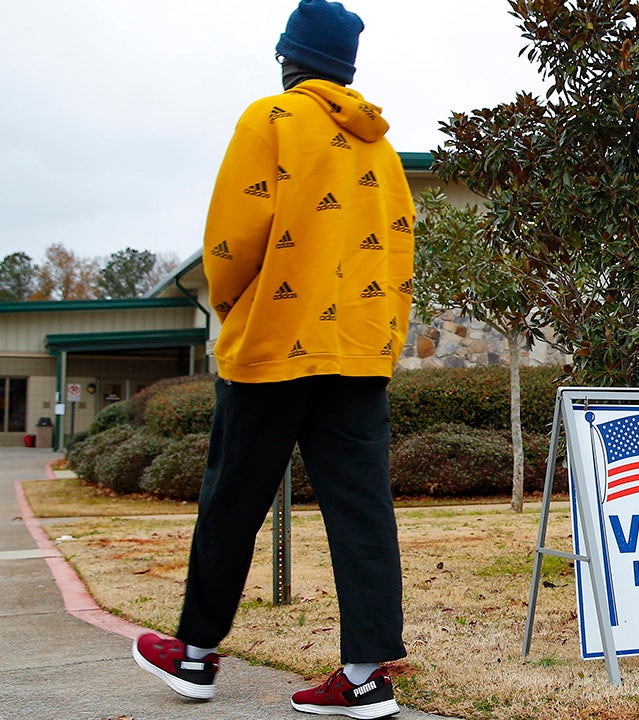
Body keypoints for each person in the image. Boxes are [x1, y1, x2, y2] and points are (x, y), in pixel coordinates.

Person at [132, 1, 414, 717]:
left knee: (234, 499)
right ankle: (363, 677)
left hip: (276, 345)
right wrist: (378, 340)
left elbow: (231, 240)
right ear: (345, 69)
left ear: (291, 58)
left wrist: (236, 309)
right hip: (356, 354)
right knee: (362, 510)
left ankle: (194, 657)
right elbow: (403, 254)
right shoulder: (379, 148)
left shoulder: (271, 120)